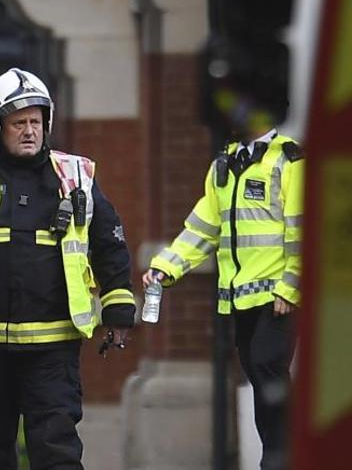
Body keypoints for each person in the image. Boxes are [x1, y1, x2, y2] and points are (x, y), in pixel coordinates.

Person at [0, 68, 136, 469]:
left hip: (53, 348)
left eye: (36, 121)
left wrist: (119, 308)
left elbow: (111, 244)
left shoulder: (76, 176)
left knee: (57, 450)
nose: (30, 130)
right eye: (19, 123)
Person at [143, 79, 302, 470]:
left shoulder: (290, 162)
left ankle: (284, 458)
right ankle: (277, 456)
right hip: (241, 298)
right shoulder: (224, 167)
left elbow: (304, 228)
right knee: (260, 379)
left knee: (269, 372)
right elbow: (202, 228)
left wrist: (291, 286)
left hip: (278, 297)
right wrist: (166, 266)